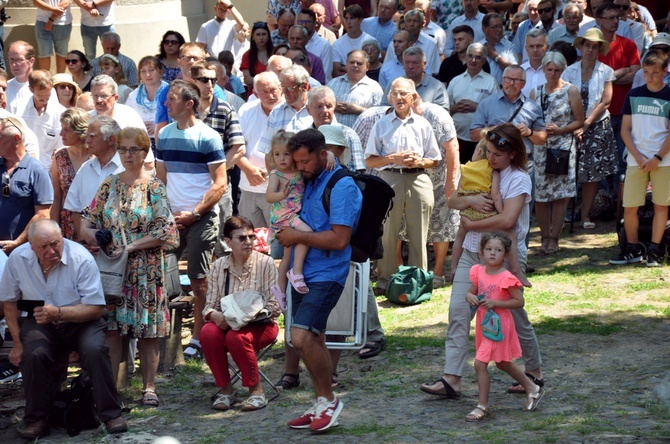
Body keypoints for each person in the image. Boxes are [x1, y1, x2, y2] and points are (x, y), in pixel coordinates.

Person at [421, 123, 544, 401]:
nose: (490, 158)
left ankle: (534, 371)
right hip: (471, 255)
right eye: (487, 152)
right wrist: (472, 201)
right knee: (458, 313)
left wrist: (469, 223)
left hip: (504, 260)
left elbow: (507, 220)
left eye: (497, 155)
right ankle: (451, 379)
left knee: (514, 316)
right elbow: (453, 199)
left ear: (512, 154)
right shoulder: (480, 169)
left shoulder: (518, 179)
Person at [0, 219, 128, 439]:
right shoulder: (18, 259)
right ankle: (37, 418)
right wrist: (17, 344)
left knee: (95, 349)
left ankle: (110, 413)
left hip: (81, 320)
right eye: (44, 247)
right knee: (33, 353)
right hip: (40, 319)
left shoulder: (81, 257)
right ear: (31, 246)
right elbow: (9, 302)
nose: (52, 251)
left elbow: (96, 309)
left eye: (55, 243)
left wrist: (58, 313)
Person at [81, 128, 179, 406]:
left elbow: (167, 231)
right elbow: (85, 221)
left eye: (133, 149)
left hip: (147, 270)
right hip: (114, 270)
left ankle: (149, 388)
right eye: (123, 149)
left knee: (148, 332)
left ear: (145, 152)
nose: (127, 154)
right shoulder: (109, 185)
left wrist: (133, 247)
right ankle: (111, 390)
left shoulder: (154, 186)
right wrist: (95, 236)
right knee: (112, 330)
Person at [276, 128, 362, 432]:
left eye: (305, 161)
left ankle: (329, 399)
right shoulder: (309, 179)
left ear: (323, 153)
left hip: (328, 274)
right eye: (296, 162)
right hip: (303, 273)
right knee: (312, 339)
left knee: (300, 337)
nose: (300, 167)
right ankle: (321, 402)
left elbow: (340, 240)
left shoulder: (343, 185)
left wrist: (295, 235)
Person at [156, 80, 228, 360]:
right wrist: (165, 213)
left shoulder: (208, 136)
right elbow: (161, 178)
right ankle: (162, 336)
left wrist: (195, 213)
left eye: (172, 99)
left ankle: (199, 337)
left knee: (199, 280)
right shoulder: (163, 135)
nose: (166, 104)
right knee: (162, 277)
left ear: (189, 104)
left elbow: (220, 183)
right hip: (171, 218)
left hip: (201, 217)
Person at [365, 78, 441, 295]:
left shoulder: (423, 124)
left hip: (418, 178)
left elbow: (434, 159)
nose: (399, 98)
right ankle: (384, 281)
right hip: (389, 177)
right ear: (390, 97)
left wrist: (419, 161)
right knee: (388, 232)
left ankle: (419, 281)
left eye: (403, 94)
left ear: (413, 97)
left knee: (419, 232)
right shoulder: (381, 124)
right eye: (395, 93)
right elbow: (369, 160)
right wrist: (393, 158)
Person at [202, 216, 281, 411]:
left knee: (237, 337)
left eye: (251, 237)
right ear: (227, 242)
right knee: (208, 332)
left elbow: (276, 305)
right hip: (227, 323)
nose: (248, 242)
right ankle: (226, 390)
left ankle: (256, 392)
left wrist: (249, 315)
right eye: (242, 238)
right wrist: (214, 315)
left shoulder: (266, 263)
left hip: (262, 325)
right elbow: (208, 305)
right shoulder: (219, 266)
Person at [463, 231, 545, 421]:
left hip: (499, 325)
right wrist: (470, 296)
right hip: (485, 324)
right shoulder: (478, 271)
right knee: (502, 363)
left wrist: (496, 303)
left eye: (498, 250)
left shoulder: (506, 277)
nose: (493, 253)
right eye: (489, 249)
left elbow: (519, 301)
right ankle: (532, 387)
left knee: (479, 363)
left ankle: (481, 406)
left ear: (506, 255)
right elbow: (471, 290)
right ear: (482, 252)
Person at [610, 50, 670, 267]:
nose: (650, 77)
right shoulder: (633, 95)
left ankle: (655, 249)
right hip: (636, 159)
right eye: (646, 72)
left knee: (661, 206)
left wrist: (657, 157)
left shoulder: (669, 95)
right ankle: (633, 248)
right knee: (630, 207)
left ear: (665, 71)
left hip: (663, 160)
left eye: (655, 72)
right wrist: (638, 155)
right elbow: (625, 130)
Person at [450, 135, 531, 287]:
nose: (492, 158)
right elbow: (495, 196)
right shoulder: (492, 172)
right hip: (484, 215)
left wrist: (468, 206)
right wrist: (498, 211)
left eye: (497, 154)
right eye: (490, 153)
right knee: (510, 235)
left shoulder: (467, 169)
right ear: (484, 152)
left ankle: (453, 266)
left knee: (459, 237)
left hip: (468, 215)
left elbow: (453, 198)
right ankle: (516, 270)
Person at [562, 28, 618, 230]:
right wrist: (576, 124)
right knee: (568, 171)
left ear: (599, 49)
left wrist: (585, 124)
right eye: (588, 45)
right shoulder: (569, 71)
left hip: (596, 127)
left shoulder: (606, 71)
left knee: (592, 175)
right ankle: (564, 215)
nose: (590, 50)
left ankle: (585, 215)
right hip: (571, 126)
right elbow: (564, 98)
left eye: (595, 47)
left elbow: (606, 101)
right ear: (581, 47)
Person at [529, 52, 583, 255]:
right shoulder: (536, 92)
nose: (552, 73)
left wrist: (561, 130)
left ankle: (554, 238)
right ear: (543, 69)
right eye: (549, 69)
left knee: (560, 196)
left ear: (562, 70)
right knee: (542, 196)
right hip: (542, 147)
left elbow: (580, 120)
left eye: (557, 70)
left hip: (562, 147)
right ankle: (544, 237)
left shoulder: (571, 91)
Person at [267, 130, 320, 300]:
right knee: (307, 234)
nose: (281, 159)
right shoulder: (276, 175)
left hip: (294, 215)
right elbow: (269, 196)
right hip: (285, 217)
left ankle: (280, 290)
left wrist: (332, 156)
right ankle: (296, 272)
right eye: (277, 154)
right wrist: (282, 194)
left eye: (286, 154)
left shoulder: (299, 171)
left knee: (287, 255)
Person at [237, 71, 283, 229]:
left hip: (280, 190)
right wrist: (248, 169)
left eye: (273, 90)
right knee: (251, 238)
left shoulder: (289, 112)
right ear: (255, 93)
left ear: (281, 88)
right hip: (249, 185)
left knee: (278, 240)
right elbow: (235, 145)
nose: (270, 96)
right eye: (264, 92)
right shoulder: (246, 110)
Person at [0, 117, 53, 255]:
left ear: (16, 138)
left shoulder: (37, 171)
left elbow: (43, 214)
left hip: (23, 251)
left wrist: (18, 242)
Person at [447, 42, 498, 164]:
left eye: (478, 57)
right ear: (465, 57)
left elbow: (497, 112)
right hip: (456, 138)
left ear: (484, 61)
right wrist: (454, 108)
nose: (473, 60)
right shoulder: (455, 81)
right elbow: (444, 110)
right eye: (470, 56)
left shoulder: (491, 82)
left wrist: (477, 107)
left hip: (481, 141)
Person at [10, 69, 66, 169]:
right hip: (20, 168)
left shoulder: (61, 113)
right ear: (30, 89)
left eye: (48, 95)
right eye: (40, 95)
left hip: (48, 170)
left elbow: (61, 149)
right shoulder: (16, 108)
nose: (44, 99)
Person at [50, 108, 91, 240]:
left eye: (67, 130)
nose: (61, 133)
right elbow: (56, 197)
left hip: (92, 222)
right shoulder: (59, 156)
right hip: (67, 223)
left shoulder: (97, 157)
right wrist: (54, 228)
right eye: (61, 128)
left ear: (80, 131)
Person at [327, 49, 383, 128]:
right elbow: (320, 106)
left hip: (362, 137)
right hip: (334, 135)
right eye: (351, 62)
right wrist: (333, 106)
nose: (355, 65)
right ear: (346, 63)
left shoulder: (374, 88)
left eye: (359, 63)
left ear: (367, 66)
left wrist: (359, 110)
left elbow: (380, 117)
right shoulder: (332, 84)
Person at [126, 56, 168, 154]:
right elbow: (127, 118)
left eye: (151, 70)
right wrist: (139, 126)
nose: (147, 74)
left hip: (165, 141)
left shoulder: (170, 92)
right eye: (143, 71)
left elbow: (176, 118)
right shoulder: (133, 95)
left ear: (160, 72)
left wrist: (158, 127)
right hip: (139, 142)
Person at [331, 5, 378, 78]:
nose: (348, 22)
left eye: (352, 18)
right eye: (346, 18)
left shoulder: (371, 41)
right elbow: (336, 72)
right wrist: (359, 69)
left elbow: (373, 68)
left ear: (360, 20)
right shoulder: (337, 44)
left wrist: (345, 68)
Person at [33, 0, 72, 73]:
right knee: (44, 54)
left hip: (63, 23)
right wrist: (52, 9)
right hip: (42, 22)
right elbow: (36, 1)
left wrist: (51, 19)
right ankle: (44, 81)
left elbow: (66, 2)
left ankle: (60, 81)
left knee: (62, 54)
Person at [481, 12, 519, 84]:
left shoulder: (509, 46)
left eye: (501, 26)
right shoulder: (478, 47)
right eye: (495, 27)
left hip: (503, 90)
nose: (499, 30)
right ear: (484, 29)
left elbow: (515, 71)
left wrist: (495, 56)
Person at [241, 22, 274, 93]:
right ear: (253, 36)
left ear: (268, 36)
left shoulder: (275, 53)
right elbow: (248, 80)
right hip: (255, 94)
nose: (261, 37)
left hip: (273, 92)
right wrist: (267, 81)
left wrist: (256, 80)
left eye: (264, 34)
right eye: (258, 35)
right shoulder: (247, 56)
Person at [6, 41, 36, 108]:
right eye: (11, 60)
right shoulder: (5, 88)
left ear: (31, 61)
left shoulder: (43, 87)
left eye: (18, 60)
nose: (14, 64)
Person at [521, 28, 549, 97]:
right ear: (526, 48)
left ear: (547, 47)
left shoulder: (555, 72)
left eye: (539, 46)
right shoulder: (520, 71)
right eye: (531, 46)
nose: (535, 50)